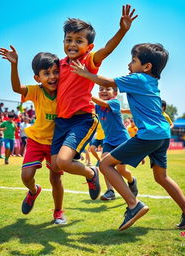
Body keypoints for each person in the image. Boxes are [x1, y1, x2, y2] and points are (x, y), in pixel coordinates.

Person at [71, 43, 185, 231]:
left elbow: (108, 82)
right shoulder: (151, 82)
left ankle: (134, 205)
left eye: (133, 61)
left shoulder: (138, 78)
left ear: (147, 66)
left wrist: (85, 74)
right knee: (161, 177)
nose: (129, 64)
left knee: (105, 164)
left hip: (148, 135)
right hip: (162, 135)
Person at [51, 4, 138, 201]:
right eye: (68, 39)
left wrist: (122, 30)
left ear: (88, 47)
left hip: (81, 119)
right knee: (56, 165)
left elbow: (106, 49)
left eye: (78, 41)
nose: (72, 44)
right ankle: (91, 174)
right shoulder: (59, 65)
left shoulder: (88, 61)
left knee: (64, 162)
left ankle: (92, 173)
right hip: (61, 121)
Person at [0, 46, 66, 224]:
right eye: (46, 73)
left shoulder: (65, 91)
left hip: (56, 143)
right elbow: (16, 88)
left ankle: (58, 212)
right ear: (38, 78)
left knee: (55, 178)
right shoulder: (36, 91)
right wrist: (14, 65)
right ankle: (34, 191)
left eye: (55, 72)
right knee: (26, 176)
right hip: (36, 141)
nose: (52, 76)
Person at [92, 86, 138, 201]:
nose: (103, 91)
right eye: (101, 89)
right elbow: (88, 108)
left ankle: (132, 181)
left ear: (115, 93)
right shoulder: (98, 107)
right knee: (104, 164)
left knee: (121, 170)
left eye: (107, 89)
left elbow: (103, 103)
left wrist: (86, 93)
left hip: (121, 139)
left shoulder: (115, 102)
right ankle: (110, 191)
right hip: (108, 140)